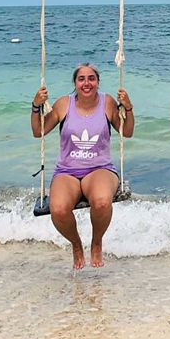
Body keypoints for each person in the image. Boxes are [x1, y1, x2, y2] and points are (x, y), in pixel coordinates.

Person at [31, 63, 134, 270]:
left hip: (100, 169)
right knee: (58, 209)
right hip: (67, 171)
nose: (87, 83)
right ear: (75, 83)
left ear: (97, 82)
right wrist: (36, 106)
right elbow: (38, 131)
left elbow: (127, 132)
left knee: (102, 201)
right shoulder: (63, 104)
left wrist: (128, 107)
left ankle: (96, 243)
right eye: (81, 79)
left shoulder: (107, 103)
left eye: (91, 78)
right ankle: (77, 245)